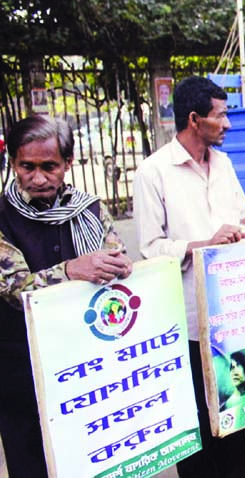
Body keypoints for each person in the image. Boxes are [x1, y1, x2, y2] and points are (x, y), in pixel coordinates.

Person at [134, 75, 245, 478]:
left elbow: (242, 221)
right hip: (187, 320)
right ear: (194, 119)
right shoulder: (153, 172)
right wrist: (201, 245)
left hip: (233, 315)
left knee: (233, 411)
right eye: (220, 116)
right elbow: (150, 249)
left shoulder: (223, 164)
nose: (227, 124)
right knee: (196, 422)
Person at [0, 116, 133, 478]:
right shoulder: (2, 217)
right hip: (21, 366)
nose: (38, 177)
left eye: (49, 167)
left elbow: (115, 258)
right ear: (13, 163)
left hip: (86, 361)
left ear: (68, 164)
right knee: (31, 457)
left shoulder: (88, 209)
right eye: (27, 166)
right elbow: (14, 288)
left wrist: (120, 267)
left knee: (89, 452)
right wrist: (71, 271)